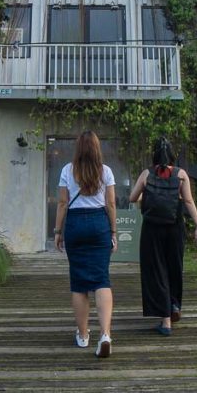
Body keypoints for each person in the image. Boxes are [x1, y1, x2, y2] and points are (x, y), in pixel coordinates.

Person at [128, 136, 197, 336]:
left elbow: (132, 198)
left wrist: (148, 195)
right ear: (172, 154)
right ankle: (174, 306)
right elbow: (188, 201)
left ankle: (166, 321)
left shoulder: (147, 174)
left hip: (152, 229)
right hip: (174, 227)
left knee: (157, 270)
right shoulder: (180, 174)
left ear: (154, 154)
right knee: (174, 267)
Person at [54, 130, 118, 358]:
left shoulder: (67, 170)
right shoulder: (106, 171)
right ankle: (106, 334)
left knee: (79, 283)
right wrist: (113, 231)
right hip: (99, 222)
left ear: (78, 149)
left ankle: (83, 335)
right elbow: (111, 204)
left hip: (76, 224)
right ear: (97, 149)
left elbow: (62, 203)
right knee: (102, 278)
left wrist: (58, 231)